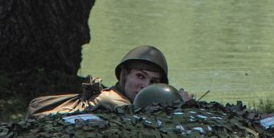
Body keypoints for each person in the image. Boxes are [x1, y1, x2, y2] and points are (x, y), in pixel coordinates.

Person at [29, 46, 173, 116]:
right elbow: (137, 120)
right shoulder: (111, 100)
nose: (145, 86)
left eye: (154, 82)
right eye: (140, 76)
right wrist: (177, 105)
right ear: (124, 75)